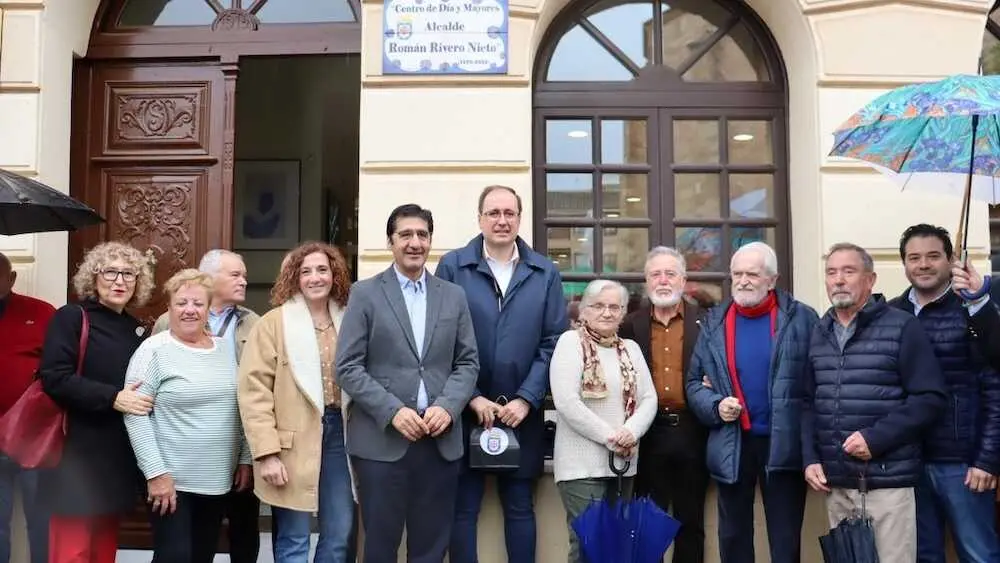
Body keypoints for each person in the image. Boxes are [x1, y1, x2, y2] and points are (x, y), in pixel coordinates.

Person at [336, 204, 479, 563]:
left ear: (430, 240)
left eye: (422, 235)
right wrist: (393, 411)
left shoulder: (453, 295)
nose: (415, 243)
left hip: (439, 442)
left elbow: (467, 362)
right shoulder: (365, 293)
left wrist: (448, 407)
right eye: (406, 235)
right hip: (382, 444)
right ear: (391, 241)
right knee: (380, 548)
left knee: (431, 549)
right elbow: (348, 367)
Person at [435, 185, 568, 563]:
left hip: (520, 413)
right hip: (463, 410)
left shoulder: (544, 272)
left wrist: (527, 398)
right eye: (493, 213)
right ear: (479, 219)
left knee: (520, 506)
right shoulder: (453, 266)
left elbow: (553, 341)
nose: (502, 220)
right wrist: (471, 396)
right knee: (464, 508)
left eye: (509, 213)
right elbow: (441, 337)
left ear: (519, 219)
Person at [802, 242, 947, 563]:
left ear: (870, 280)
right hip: (837, 484)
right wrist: (811, 458)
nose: (838, 280)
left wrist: (877, 438)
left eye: (848, 271)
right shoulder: (818, 331)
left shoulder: (902, 326)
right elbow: (808, 402)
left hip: (888, 482)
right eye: (831, 272)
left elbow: (930, 398)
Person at [685, 242, 818, 563]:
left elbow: (818, 384)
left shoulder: (802, 318)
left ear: (772, 280)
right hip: (733, 443)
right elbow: (693, 384)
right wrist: (715, 405)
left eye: (752, 274)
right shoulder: (714, 322)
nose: (743, 281)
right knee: (733, 538)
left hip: (783, 443)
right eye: (737, 274)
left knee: (785, 540)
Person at [888, 224, 1000, 563]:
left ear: (951, 260)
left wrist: (987, 459)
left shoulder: (973, 309)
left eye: (933, 256)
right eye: (914, 257)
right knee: (922, 555)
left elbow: (995, 388)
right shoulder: (893, 313)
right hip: (907, 461)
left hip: (962, 462)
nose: (923, 265)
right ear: (904, 263)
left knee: (979, 554)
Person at [123, 269, 252, 563]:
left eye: (198, 304)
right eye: (181, 303)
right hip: (171, 484)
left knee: (202, 555)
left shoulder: (224, 349)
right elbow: (135, 416)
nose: (190, 310)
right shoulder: (153, 350)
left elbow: (238, 407)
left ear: (208, 310)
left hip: (218, 481)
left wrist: (244, 458)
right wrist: (156, 474)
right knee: (175, 557)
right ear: (169, 308)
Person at [38, 241, 155, 563]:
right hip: (76, 454)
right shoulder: (72, 317)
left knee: (104, 551)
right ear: (94, 277)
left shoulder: (138, 330)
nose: (120, 281)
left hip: (118, 454)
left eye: (128, 274)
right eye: (110, 272)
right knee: (71, 551)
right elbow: (54, 377)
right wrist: (113, 397)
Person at [240, 241, 356, 563]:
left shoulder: (350, 319)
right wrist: (266, 453)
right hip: (290, 440)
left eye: (322, 269)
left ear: (335, 274)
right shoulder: (273, 323)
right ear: (294, 277)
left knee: (339, 533)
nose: (315, 277)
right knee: (294, 536)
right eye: (306, 271)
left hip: (341, 435)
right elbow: (254, 392)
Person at [152, 248, 261, 563]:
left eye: (244, 274)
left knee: (243, 533)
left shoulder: (253, 323)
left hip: (237, 444)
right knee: (184, 543)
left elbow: (259, 390)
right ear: (210, 279)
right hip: (182, 456)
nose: (244, 281)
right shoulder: (166, 323)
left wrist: (248, 457)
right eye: (235, 274)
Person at [549, 279, 657, 563]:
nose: (607, 313)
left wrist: (630, 432)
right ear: (583, 310)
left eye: (614, 307)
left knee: (617, 548)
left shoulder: (630, 349)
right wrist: (613, 437)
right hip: (580, 468)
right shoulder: (569, 343)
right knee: (588, 547)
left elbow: (648, 399)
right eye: (598, 306)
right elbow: (567, 403)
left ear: (623, 313)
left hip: (623, 464)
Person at [617, 246, 708, 563]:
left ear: (683, 280)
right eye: (656, 274)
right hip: (648, 434)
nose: (663, 280)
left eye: (670, 273)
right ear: (646, 280)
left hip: (691, 431)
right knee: (646, 523)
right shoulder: (630, 325)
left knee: (690, 523)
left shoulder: (705, 323)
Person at [0, 252, 54, 563]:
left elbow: (62, 367)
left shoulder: (42, 312)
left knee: (41, 521)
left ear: (12, 279)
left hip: (33, 437)